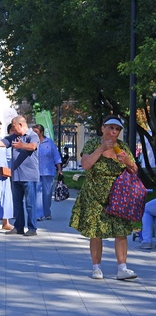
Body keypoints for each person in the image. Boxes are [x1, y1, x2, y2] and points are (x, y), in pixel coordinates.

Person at [69, 115, 139, 280]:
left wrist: (128, 161)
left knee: (121, 231)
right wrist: (101, 149)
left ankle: (122, 268)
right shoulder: (93, 144)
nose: (113, 132)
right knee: (96, 231)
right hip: (94, 194)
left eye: (117, 129)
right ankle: (96, 268)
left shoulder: (122, 147)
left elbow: (134, 170)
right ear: (103, 128)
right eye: (110, 128)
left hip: (118, 195)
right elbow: (86, 165)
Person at [0, 115, 40, 236]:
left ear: (20, 125)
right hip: (16, 175)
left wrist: (22, 146)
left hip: (29, 176)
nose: (12, 128)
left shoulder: (32, 135)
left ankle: (32, 228)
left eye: (14, 126)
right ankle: (18, 227)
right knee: (17, 204)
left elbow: (33, 146)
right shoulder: (14, 137)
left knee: (30, 204)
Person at [32, 124, 62, 221]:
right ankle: (39, 214)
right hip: (36, 172)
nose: (34, 133)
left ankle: (47, 212)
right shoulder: (32, 142)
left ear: (41, 132)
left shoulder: (49, 142)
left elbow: (56, 157)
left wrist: (60, 170)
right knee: (38, 193)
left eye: (36, 131)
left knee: (47, 193)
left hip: (48, 172)